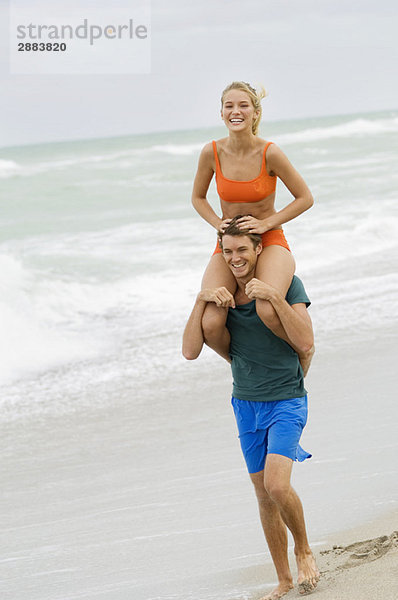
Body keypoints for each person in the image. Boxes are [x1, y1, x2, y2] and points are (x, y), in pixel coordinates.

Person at [182, 217, 320, 600]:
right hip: (245, 404)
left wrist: (273, 296)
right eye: (228, 252)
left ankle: (303, 549)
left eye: (242, 250)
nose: (235, 258)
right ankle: (283, 580)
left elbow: (307, 342)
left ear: (259, 250)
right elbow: (190, 350)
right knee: (263, 495)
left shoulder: (286, 285)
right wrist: (201, 299)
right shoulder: (222, 298)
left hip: (287, 400)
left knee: (278, 485)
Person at [191, 81, 314, 365]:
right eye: (229, 106)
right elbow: (198, 198)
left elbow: (305, 198)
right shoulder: (211, 152)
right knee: (210, 322)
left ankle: (301, 355)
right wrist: (216, 224)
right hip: (230, 245)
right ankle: (242, 363)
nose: (236, 111)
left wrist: (266, 223)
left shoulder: (269, 152)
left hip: (270, 241)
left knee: (267, 310)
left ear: (255, 113)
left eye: (243, 105)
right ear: (221, 113)